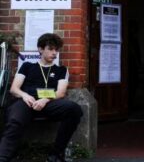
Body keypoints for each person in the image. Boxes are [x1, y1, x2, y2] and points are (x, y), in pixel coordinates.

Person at [0, 33, 83, 162]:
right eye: (50, 49)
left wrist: (45, 100)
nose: (54, 53)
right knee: (15, 119)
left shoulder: (61, 70)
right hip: (27, 101)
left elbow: (60, 93)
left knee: (74, 109)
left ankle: (56, 154)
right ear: (40, 49)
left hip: (49, 103)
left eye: (56, 50)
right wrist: (25, 96)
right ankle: (3, 156)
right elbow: (14, 89)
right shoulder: (27, 66)